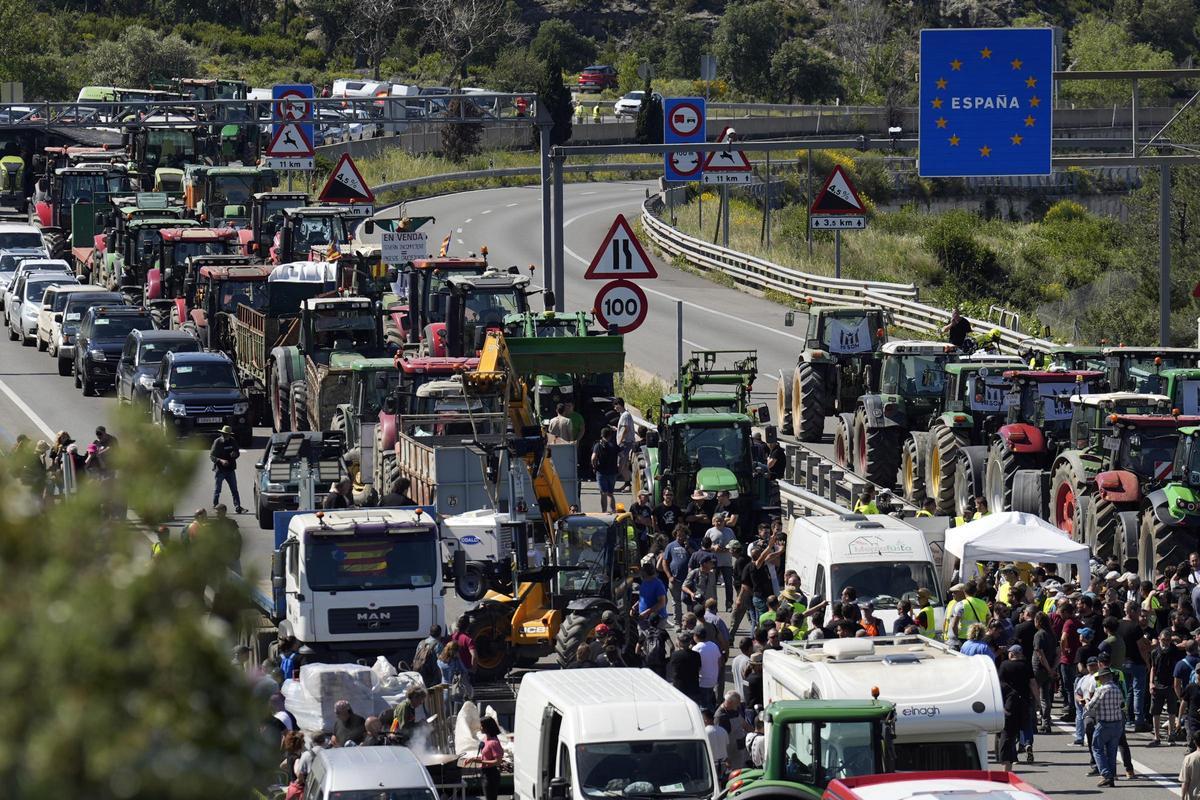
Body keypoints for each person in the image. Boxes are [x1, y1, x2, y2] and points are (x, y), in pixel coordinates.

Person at [997, 644, 1038, 764]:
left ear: (1013, 653)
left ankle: (1012, 756)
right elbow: (1033, 684)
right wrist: (1038, 700)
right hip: (1024, 701)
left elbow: (999, 683)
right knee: (1026, 725)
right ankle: (1027, 743)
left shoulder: (1004, 665)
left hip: (1009, 702)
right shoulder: (1026, 666)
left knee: (1010, 730)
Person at [1087, 667, 1125, 787]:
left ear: (1104, 677)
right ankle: (1112, 775)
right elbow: (1121, 703)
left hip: (1104, 723)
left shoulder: (1100, 690)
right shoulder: (1117, 689)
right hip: (1117, 723)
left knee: (1097, 748)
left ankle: (1106, 774)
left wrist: (1086, 703)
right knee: (1112, 750)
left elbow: (1091, 706)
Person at [660, 526, 693, 628]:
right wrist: (669, 576)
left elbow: (696, 556)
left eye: (683, 535)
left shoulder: (691, 544)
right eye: (678, 535)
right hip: (675, 579)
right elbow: (665, 562)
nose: (680, 538)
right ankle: (678, 623)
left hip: (689, 580)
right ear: (675, 535)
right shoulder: (670, 546)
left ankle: (690, 623)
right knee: (676, 602)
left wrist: (688, 548)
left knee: (689, 602)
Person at [705, 512, 737, 611]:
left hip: (727, 562)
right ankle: (714, 605)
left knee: (728, 585)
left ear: (724, 521)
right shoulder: (710, 531)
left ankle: (729, 605)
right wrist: (713, 547)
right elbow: (704, 545)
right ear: (713, 522)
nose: (719, 523)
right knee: (712, 585)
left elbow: (735, 544)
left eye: (721, 521)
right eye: (717, 521)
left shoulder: (729, 531)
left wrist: (728, 548)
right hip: (713, 563)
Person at [467, 716, 505, 800]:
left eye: (481, 726)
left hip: (491, 774)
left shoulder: (493, 743)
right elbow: (486, 756)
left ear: (487, 727)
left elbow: (498, 762)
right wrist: (473, 759)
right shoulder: (485, 739)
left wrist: (480, 761)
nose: (480, 728)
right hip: (485, 773)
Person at [210, 425, 245, 513]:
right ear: (222, 433)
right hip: (220, 470)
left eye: (228, 434)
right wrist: (221, 460)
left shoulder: (232, 441)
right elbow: (212, 456)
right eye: (225, 434)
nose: (226, 436)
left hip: (230, 469)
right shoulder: (217, 442)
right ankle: (215, 506)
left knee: (234, 490)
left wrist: (235, 454)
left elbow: (237, 452)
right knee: (217, 490)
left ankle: (238, 507)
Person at [693, 624, 721, 712]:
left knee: (704, 706)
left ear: (696, 636)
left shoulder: (696, 648)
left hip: (702, 681)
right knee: (709, 702)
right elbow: (719, 662)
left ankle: (709, 723)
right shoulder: (714, 645)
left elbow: (695, 666)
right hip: (713, 680)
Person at [591, 426, 619, 512]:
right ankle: (613, 511)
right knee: (610, 494)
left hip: (601, 472)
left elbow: (593, 458)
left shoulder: (598, 445)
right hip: (612, 472)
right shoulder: (614, 446)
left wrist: (594, 466)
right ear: (610, 436)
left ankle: (604, 511)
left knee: (603, 493)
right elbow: (621, 456)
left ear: (602, 435)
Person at [669, 631, 701, 704]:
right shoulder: (696, 655)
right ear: (690, 642)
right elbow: (699, 668)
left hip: (679, 687)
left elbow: (672, 670)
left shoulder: (675, 655)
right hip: (693, 686)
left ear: (679, 642)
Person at [614, 397, 635, 491]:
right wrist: (616, 429)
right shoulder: (623, 414)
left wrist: (620, 440)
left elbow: (626, 429)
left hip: (625, 443)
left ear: (619, 405)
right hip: (625, 442)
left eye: (615, 406)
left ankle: (629, 484)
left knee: (621, 465)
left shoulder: (625, 415)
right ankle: (627, 484)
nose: (615, 408)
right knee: (624, 465)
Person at [704, 708, 730, 779]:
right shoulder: (723, 730)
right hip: (723, 764)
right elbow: (726, 747)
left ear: (705, 719)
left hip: (710, 765)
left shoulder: (704, 732)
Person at [1182, 731, 1200, 800]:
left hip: (1194, 796)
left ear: (1194, 742)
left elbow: (1185, 782)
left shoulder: (1189, 758)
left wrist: (1182, 797)